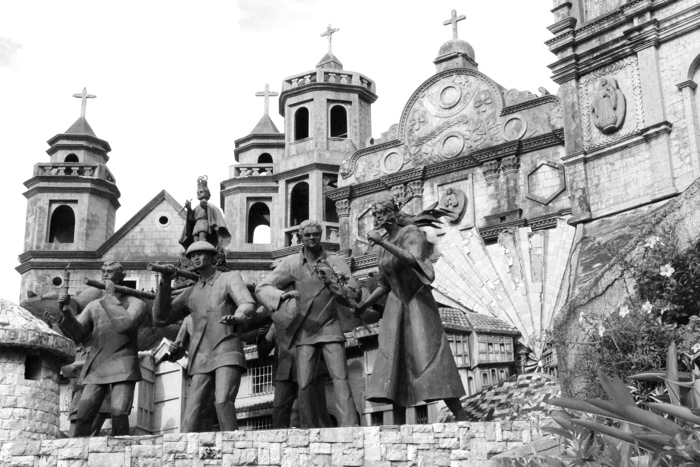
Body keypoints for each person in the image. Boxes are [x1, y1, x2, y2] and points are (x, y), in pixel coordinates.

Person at [356, 197, 468, 423]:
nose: (376, 219)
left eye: (380, 213)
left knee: (430, 355)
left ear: (392, 213)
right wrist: (364, 305)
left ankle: (460, 414)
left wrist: (383, 243)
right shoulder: (383, 243)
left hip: (417, 300)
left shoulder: (410, 233)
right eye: (374, 215)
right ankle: (397, 424)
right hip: (396, 304)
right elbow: (384, 284)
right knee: (394, 360)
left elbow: (413, 259)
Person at [256, 220, 360, 428]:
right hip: (304, 330)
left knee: (340, 378)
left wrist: (336, 284)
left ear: (320, 236)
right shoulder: (292, 263)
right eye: (307, 235)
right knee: (304, 383)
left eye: (315, 234)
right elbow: (262, 286)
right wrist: (281, 295)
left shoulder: (334, 261)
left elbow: (354, 292)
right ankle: (310, 428)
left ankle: (351, 426)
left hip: (330, 327)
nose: (312, 238)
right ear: (301, 238)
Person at [152, 241, 256, 432]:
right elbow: (161, 318)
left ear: (211, 256)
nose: (196, 258)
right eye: (192, 256)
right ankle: (184, 455)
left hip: (227, 347)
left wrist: (238, 316)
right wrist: (165, 283)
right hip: (200, 355)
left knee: (223, 401)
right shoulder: (191, 292)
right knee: (191, 412)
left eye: (201, 254)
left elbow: (247, 303)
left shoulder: (229, 278)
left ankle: (232, 446)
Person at [56, 262, 149, 436]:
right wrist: (66, 313)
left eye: (110, 272)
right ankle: (77, 453)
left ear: (121, 277)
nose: (105, 275)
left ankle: (121, 451)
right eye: (103, 272)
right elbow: (79, 336)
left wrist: (111, 298)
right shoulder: (94, 305)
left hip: (124, 363)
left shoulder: (136, 302)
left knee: (119, 412)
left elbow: (126, 325)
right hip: (97, 365)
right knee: (83, 415)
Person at [256, 321, 331, 428]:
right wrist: (261, 336)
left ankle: (324, 441)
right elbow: (263, 352)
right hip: (285, 372)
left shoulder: (310, 317)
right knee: (279, 410)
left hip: (312, 370)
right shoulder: (276, 323)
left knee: (316, 410)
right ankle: (281, 442)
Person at [180, 175, 231, 251]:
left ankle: (203, 252)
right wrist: (189, 208)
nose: (198, 193)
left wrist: (204, 206)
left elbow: (209, 212)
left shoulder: (207, 205)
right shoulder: (196, 207)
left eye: (201, 192)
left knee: (202, 238)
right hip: (196, 225)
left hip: (204, 224)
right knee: (195, 241)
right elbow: (192, 219)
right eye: (197, 192)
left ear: (207, 194)